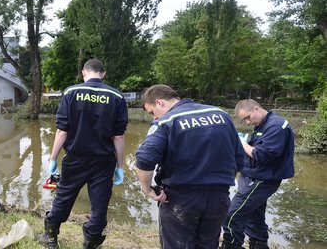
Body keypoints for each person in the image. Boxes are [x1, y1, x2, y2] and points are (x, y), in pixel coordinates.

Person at [134, 84, 244, 249]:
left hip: (181, 198)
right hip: (219, 197)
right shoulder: (221, 115)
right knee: (208, 244)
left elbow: (144, 159)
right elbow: (239, 157)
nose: (154, 118)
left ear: (159, 103)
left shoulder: (167, 121)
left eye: (152, 113)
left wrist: (147, 189)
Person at [38, 58, 128, 249]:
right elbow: (118, 137)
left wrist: (53, 158)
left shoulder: (71, 92)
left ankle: (51, 237)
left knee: (64, 196)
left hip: (76, 158)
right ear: (103, 74)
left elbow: (63, 131)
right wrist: (120, 166)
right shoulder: (117, 97)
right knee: (100, 203)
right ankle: (91, 242)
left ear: (84, 73)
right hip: (104, 162)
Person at [220, 99, 295, 249]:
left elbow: (263, 155)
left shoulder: (276, 126)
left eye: (247, 117)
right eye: (244, 120)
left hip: (261, 180)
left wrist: (241, 144)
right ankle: (259, 245)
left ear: (256, 109)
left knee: (231, 215)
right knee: (254, 216)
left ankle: (231, 245)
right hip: (252, 176)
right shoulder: (263, 124)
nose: (247, 122)